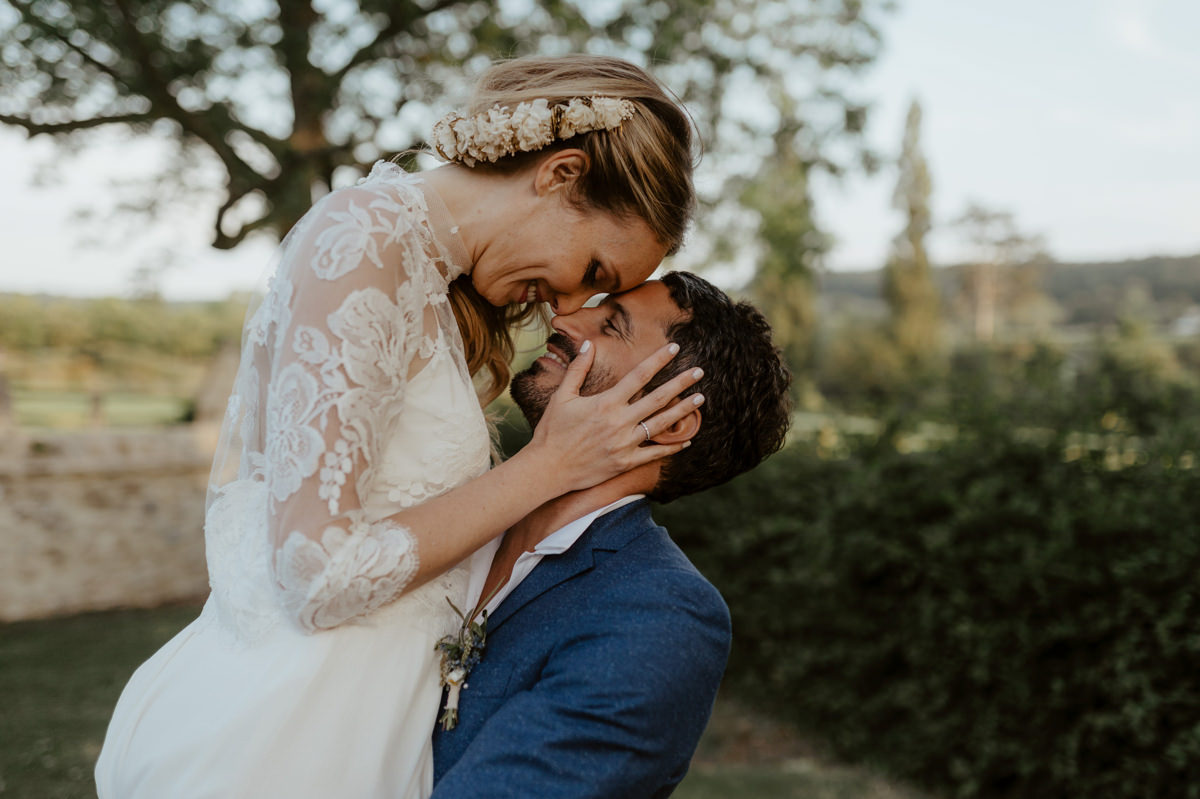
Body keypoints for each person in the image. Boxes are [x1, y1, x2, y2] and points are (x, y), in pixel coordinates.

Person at [95, 55, 701, 799]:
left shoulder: (432, 276)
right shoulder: (364, 241)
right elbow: (315, 573)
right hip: (287, 740)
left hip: (364, 732)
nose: (565, 306)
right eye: (594, 270)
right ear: (561, 174)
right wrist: (547, 466)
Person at [431, 271, 792, 798]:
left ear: (671, 420)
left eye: (611, 326)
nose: (564, 317)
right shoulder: (448, 504)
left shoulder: (663, 615)